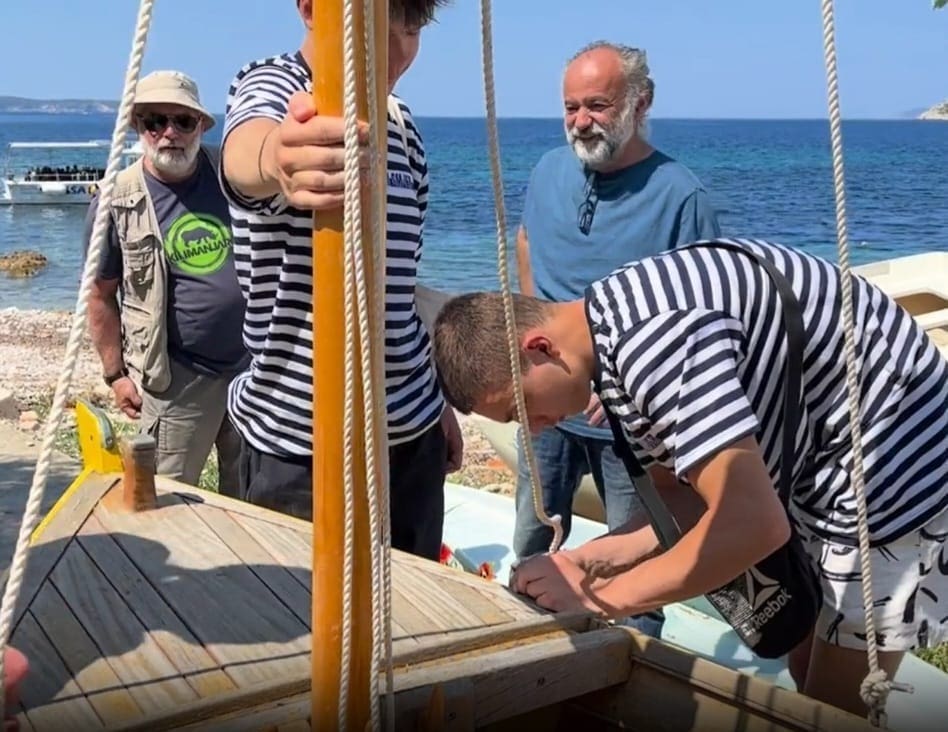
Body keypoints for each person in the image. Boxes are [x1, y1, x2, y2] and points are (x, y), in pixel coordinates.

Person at [431, 237, 948, 715]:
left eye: (521, 409)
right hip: (821, 455)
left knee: (833, 707)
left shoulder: (652, 346)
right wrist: (585, 561)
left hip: (895, 461)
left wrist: (600, 599)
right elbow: (680, 503)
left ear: (540, 348)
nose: (534, 429)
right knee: (802, 659)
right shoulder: (605, 332)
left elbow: (753, 525)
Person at [217, 0, 462, 561]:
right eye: (379, 29)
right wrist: (278, 158)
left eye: (411, 29)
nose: (398, 52)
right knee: (289, 610)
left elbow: (400, 290)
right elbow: (247, 153)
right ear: (312, 9)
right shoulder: (276, 85)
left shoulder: (402, 127)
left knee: (413, 609)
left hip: (412, 436)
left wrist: (434, 400)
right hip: (297, 446)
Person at [512, 41, 721, 637]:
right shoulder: (548, 170)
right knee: (530, 546)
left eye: (597, 106)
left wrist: (628, 384)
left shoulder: (681, 195)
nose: (581, 121)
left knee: (635, 576)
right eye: (570, 107)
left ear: (640, 102)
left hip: (631, 429)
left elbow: (703, 315)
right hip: (548, 412)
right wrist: (531, 332)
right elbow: (527, 244)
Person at [85, 70, 247, 494]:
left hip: (252, 372)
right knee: (168, 499)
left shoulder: (232, 173)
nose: (169, 133)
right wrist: (116, 375)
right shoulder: (116, 201)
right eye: (155, 121)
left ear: (202, 126)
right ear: (138, 126)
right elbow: (100, 295)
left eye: (183, 121)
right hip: (177, 380)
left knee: (251, 499)